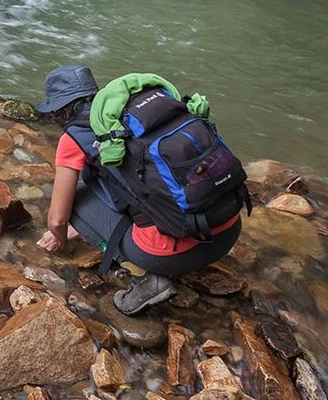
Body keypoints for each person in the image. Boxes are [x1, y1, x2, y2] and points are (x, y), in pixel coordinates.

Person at [35, 65, 243, 314]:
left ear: (58, 112)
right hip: (228, 230)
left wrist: (60, 239)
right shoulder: (149, 109)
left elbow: (57, 219)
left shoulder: (73, 138)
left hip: (171, 257)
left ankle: (148, 276)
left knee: (77, 197)